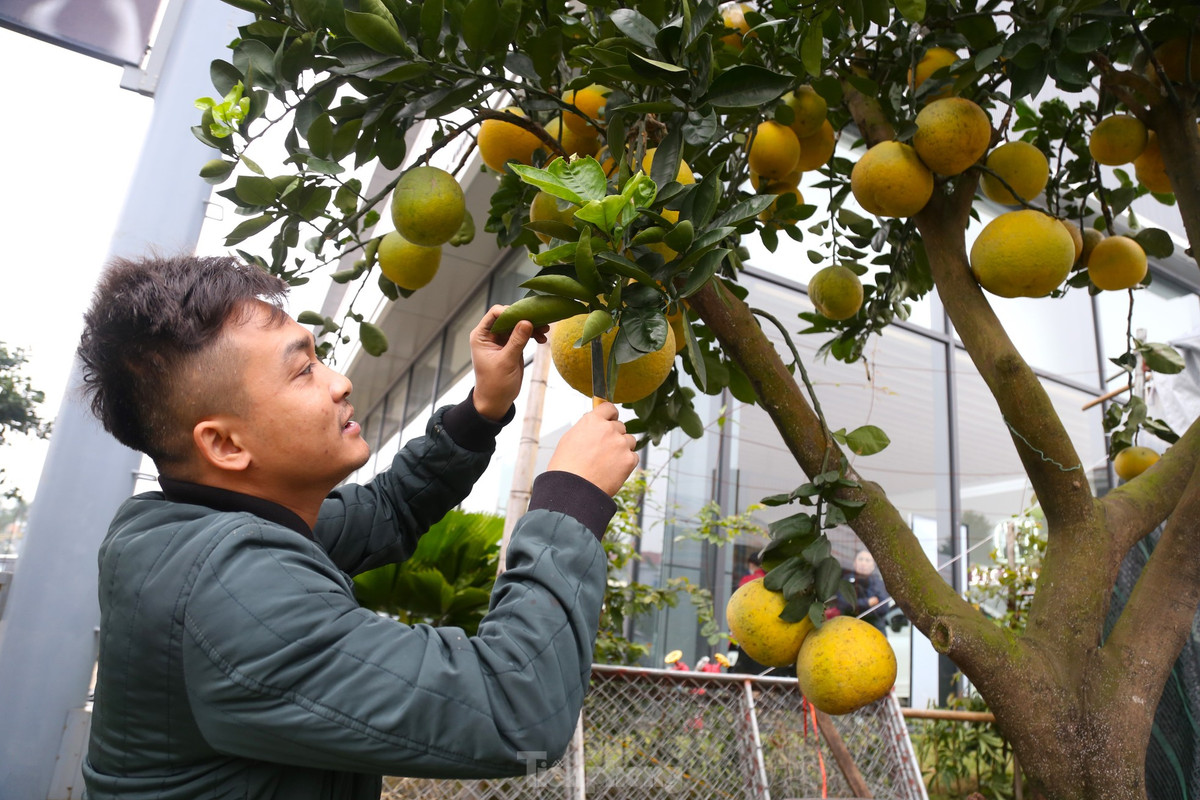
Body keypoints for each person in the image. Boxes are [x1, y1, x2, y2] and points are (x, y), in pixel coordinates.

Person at [76, 255, 640, 799]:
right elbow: (514, 708)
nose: (340, 382)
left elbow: (386, 509)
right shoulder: (226, 590)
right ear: (224, 444)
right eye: (303, 371)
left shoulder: (200, 528)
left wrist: (482, 408)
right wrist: (572, 498)